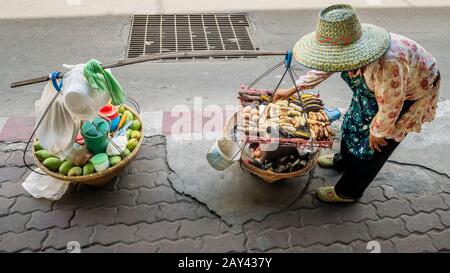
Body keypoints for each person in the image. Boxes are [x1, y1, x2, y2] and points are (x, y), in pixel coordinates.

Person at [274, 4, 441, 203]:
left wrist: (378, 131)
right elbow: (327, 66)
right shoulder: (347, 50)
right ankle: (342, 160)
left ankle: (348, 191)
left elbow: (391, 105)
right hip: (375, 93)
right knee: (352, 123)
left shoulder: (388, 63)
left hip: (406, 94)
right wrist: (294, 88)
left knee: (373, 148)